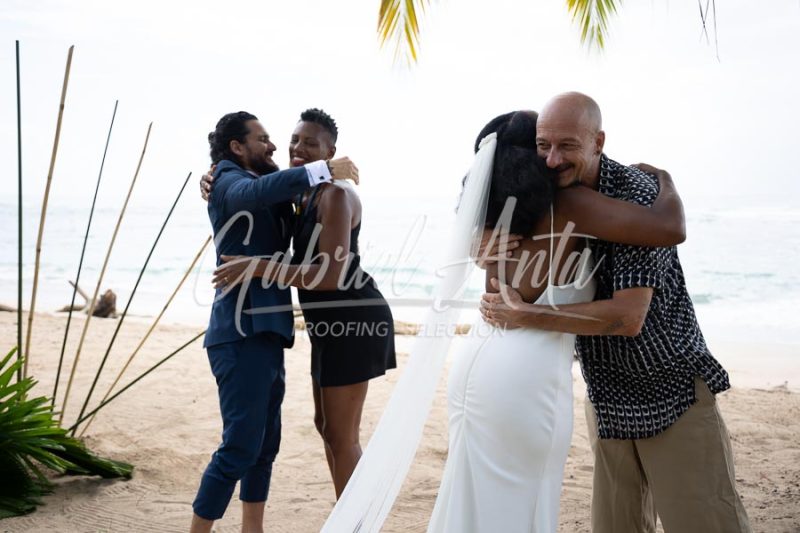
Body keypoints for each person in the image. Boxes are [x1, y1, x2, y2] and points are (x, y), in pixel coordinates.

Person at [481, 93, 751, 533]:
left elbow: (629, 317)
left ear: (597, 141)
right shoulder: (549, 195)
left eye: (567, 145)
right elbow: (513, 267)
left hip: (671, 392)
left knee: (705, 522)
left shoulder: (636, 198)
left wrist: (528, 316)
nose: (551, 159)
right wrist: (484, 249)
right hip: (607, 396)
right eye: (543, 144)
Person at [428, 109, 689, 533]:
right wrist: (665, 179)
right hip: (525, 376)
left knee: (471, 496)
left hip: (475, 361)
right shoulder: (569, 204)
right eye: (543, 145)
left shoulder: (496, 215)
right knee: (522, 503)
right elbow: (668, 226)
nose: (552, 157)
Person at [209, 108, 396, 499]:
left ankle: (357, 525)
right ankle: (347, 518)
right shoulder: (303, 193)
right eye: (295, 139)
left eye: (311, 143)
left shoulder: (337, 195)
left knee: (343, 437)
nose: (297, 147)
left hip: (352, 317)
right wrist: (215, 174)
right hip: (326, 324)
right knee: (324, 426)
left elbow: (331, 276)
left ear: (331, 152)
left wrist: (259, 267)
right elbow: (255, 186)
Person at [191, 111, 358, 533]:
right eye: (264, 139)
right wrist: (322, 168)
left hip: (268, 333)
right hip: (238, 332)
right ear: (236, 147)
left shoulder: (256, 186)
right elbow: (258, 189)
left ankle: (253, 529)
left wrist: (317, 176)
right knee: (239, 447)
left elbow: (279, 192)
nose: (273, 147)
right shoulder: (228, 180)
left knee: (265, 446)